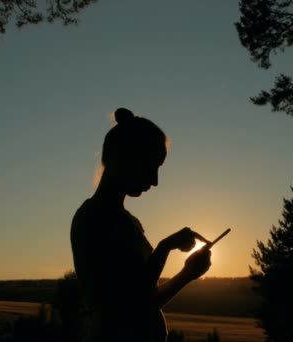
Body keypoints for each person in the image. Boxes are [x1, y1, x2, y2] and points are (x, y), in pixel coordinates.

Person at [70, 108, 212, 342]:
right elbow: (123, 305)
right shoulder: (92, 218)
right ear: (123, 158)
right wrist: (165, 247)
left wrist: (188, 273)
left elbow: (146, 301)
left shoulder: (128, 221)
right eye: (151, 166)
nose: (155, 181)